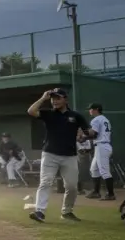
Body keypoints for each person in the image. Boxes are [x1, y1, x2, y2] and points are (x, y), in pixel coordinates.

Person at [26, 88, 93, 223]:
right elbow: (31, 111)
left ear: (65, 99)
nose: (54, 101)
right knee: (45, 182)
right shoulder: (49, 114)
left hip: (69, 155)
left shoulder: (76, 116)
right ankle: (39, 211)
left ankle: (67, 212)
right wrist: (43, 98)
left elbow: (88, 132)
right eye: (52, 98)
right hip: (50, 154)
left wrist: (88, 134)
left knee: (72, 186)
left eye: (58, 98)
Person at [87, 103, 115, 201]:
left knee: (104, 171)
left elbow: (94, 134)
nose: (89, 110)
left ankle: (111, 194)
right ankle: (96, 192)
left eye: (91, 109)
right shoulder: (105, 119)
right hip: (102, 146)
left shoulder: (96, 119)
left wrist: (83, 137)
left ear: (97, 109)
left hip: (101, 146)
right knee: (94, 169)